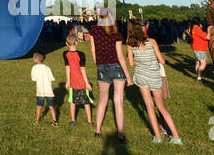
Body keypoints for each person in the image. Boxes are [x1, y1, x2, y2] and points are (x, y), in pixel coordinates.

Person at [124, 20, 182, 144]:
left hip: (141, 76)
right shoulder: (152, 42)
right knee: (161, 107)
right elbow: (162, 61)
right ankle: (176, 136)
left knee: (149, 106)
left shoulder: (130, 44)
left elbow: (131, 63)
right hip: (155, 76)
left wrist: (139, 59)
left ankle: (157, 137)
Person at [88, 9, 129, 141]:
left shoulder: (94, 30)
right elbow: (120, 56)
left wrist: (98, 65)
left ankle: (98, 130)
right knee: (118, 101)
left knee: (102, 100)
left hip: (101, 66)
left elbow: (93, 50)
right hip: (116, 66)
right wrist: (128, 76)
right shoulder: (116, 32)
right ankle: (120, 135)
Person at [63, 32, 93, 125]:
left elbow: (67, 68)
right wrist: (87, 83)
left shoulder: (65, 54)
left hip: (72, 81)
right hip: (82, 81)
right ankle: (89, 121)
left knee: (72, 101)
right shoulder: (81, 54)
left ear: (67, 43)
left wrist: (68, 81)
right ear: (76, 42)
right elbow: (83, 69)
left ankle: (73, 120)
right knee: (86, 101)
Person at [31, 52, 58, 125]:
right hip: (48, 90)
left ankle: (37, 120)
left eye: (34, 57)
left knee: (39, 106)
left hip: (40, 91)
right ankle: (55, 121)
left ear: (36, 59)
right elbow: (52, 78)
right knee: (51, 106)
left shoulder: (34, 68)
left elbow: (34, 79)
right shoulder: (47, 68)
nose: (33, 58)